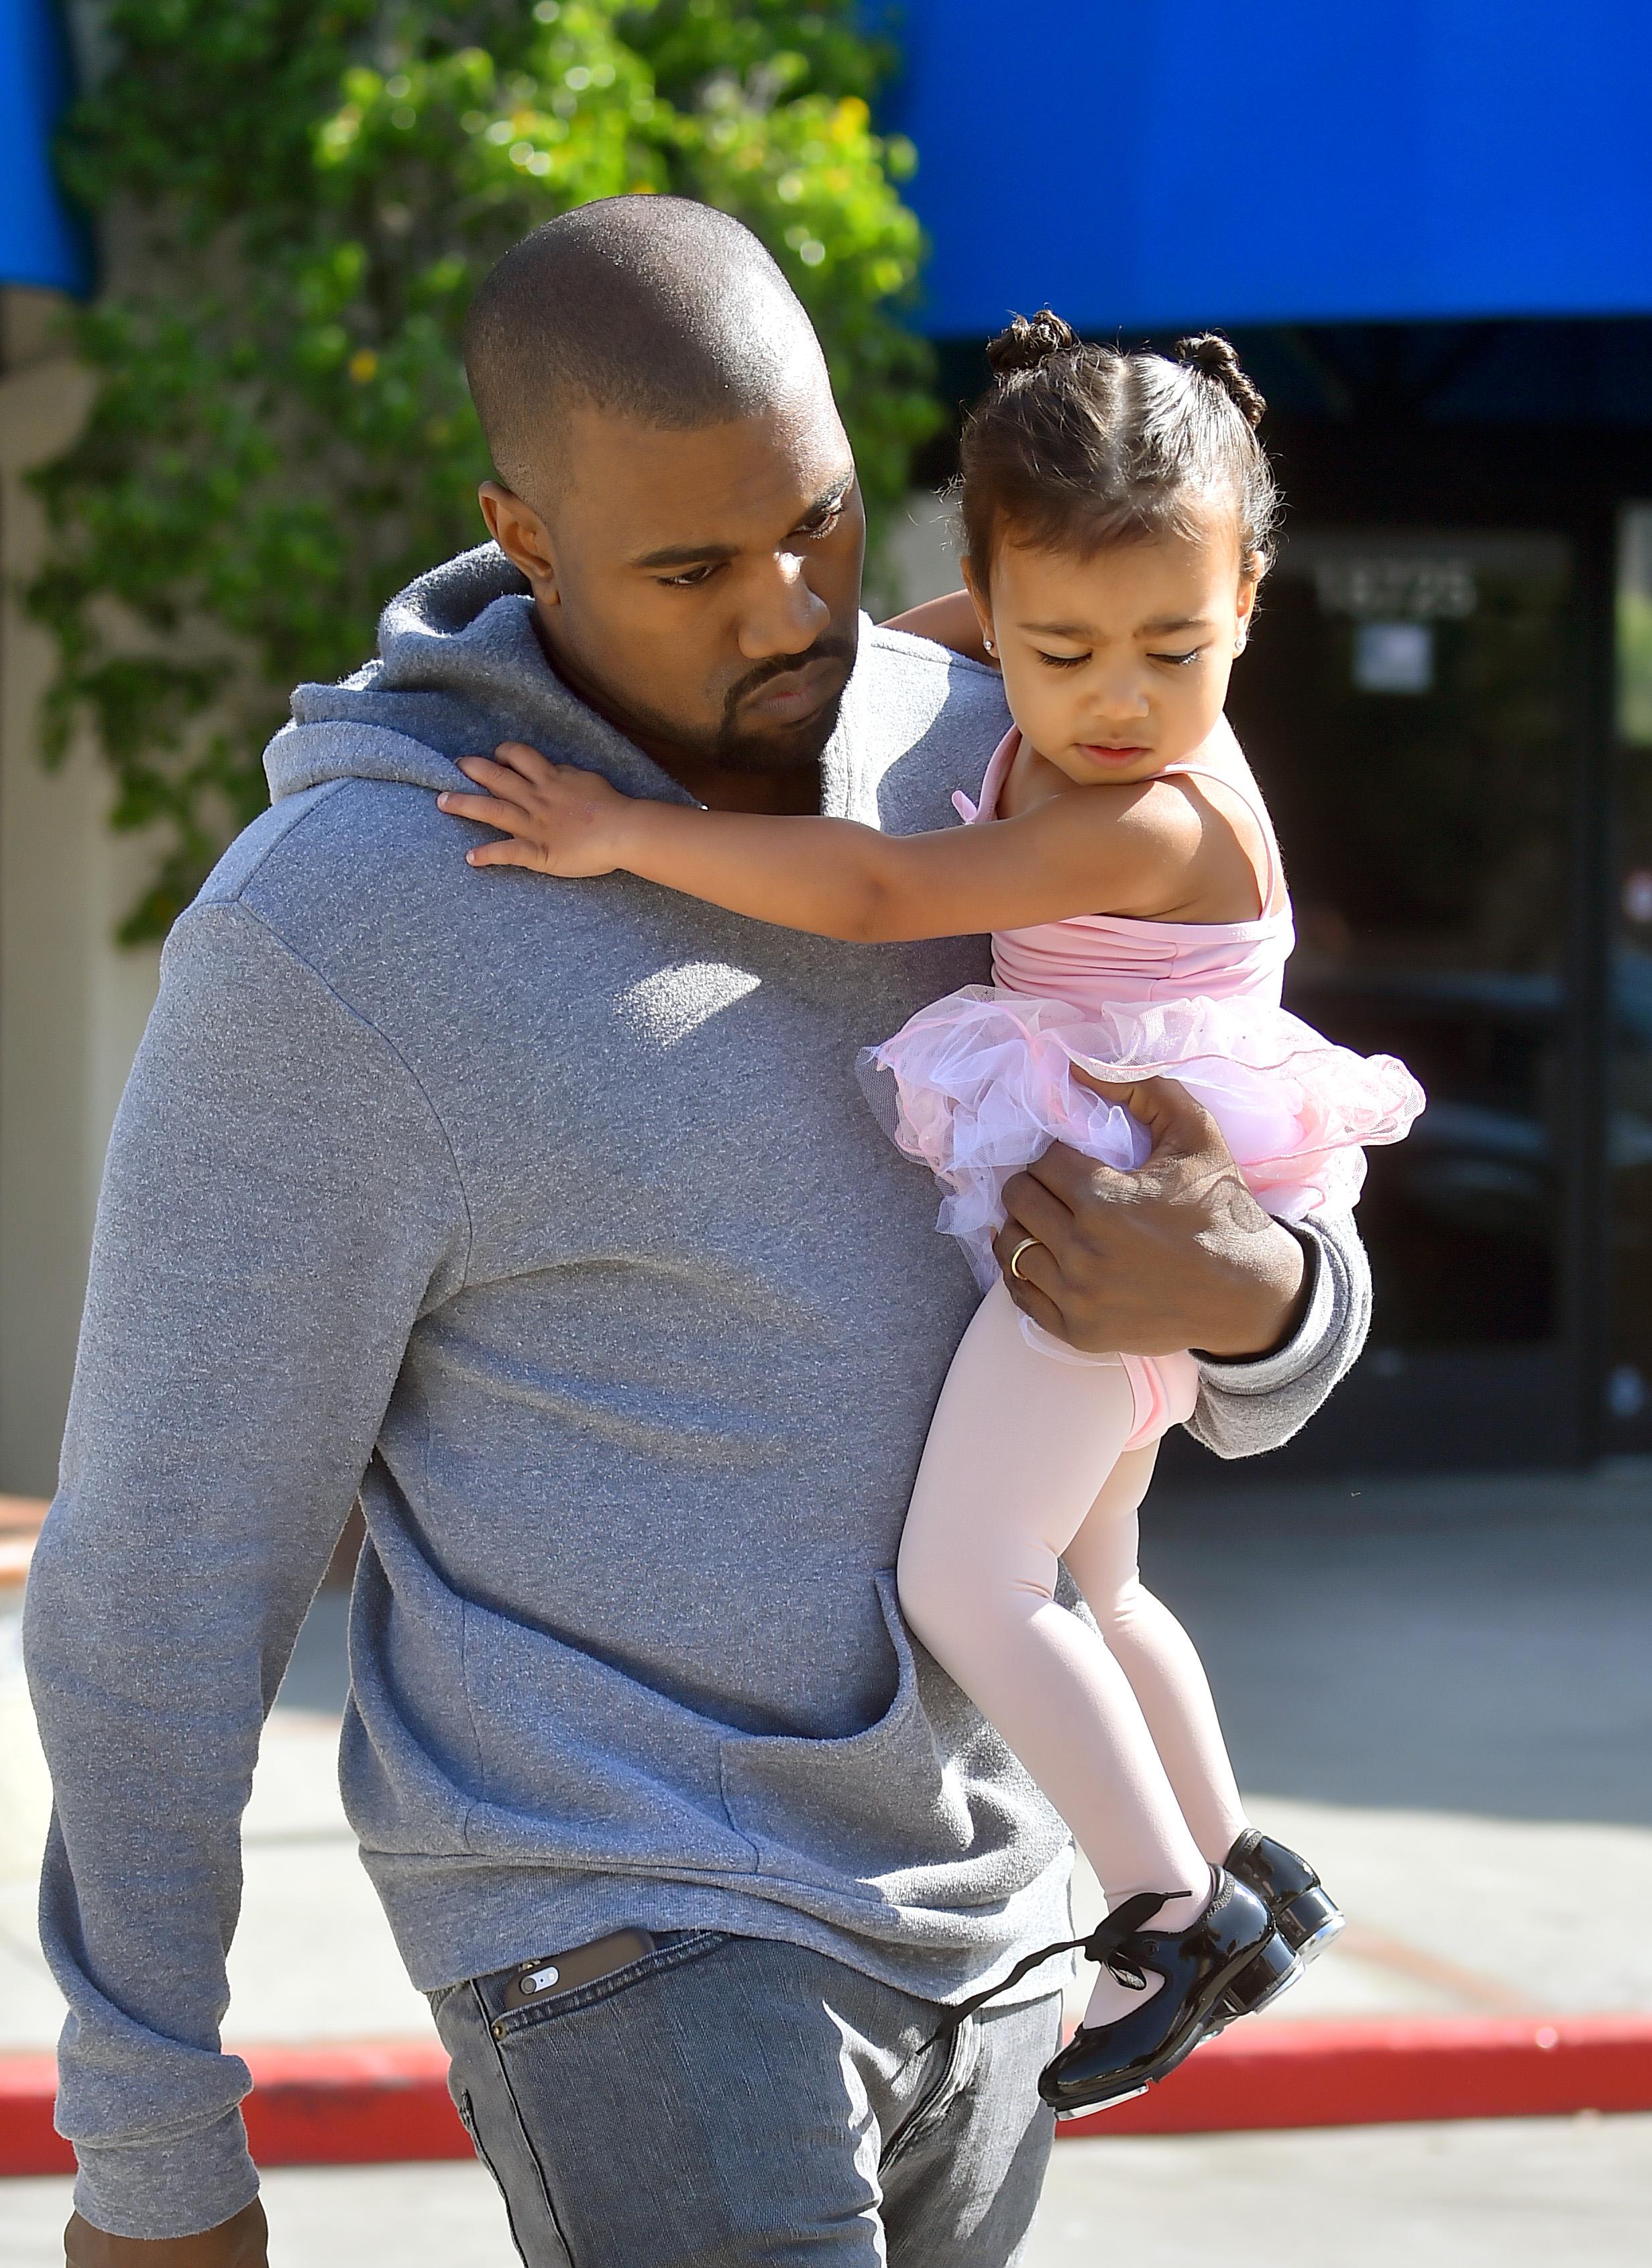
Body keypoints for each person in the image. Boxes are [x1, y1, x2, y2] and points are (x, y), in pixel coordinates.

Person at [32, 202, 1374, 2268]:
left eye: (810, 521)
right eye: (685, 562)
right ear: (519, 540)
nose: (788, 610)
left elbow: (1232, 1299)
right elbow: (164, 1565)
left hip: (975, 1920)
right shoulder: (345, 936)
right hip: (620, 1912)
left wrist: (1252, 1289)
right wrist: (147, 2101)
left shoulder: (996, 739)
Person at [438, 310, 1423, 2122]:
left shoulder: (1155, 820)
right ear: (986, 583)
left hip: (1112, 1221)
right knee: (1102, 1578)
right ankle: (1238, 1858)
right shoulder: (1011, 646)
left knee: (964, 1575)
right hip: (1091, 1185)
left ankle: (1164, 1910)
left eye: (1177, 648)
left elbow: (887, 879)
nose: (1117, 698)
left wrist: (621, 833)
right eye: (1059, 646)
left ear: (1253, 601)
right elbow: (877, 672)